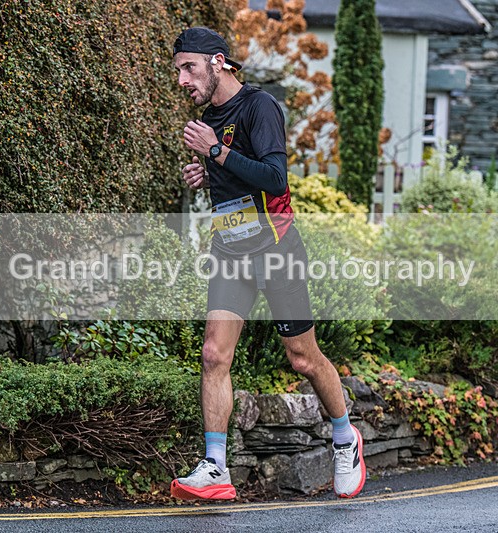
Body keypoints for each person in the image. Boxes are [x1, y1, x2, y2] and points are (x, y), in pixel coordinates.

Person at [170, 27, 366, 501]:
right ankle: (216, 467)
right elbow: (237, 175)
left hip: (276, 249)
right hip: (230, 251)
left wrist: (215, 152)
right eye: (176, 70)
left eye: (187, 67)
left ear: (218, 63)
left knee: (302, 358)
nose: (180, 79)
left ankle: (345, 438)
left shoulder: (259, 107)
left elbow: (275, 179)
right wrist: (206, 172)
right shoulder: (210, 117)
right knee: (214, 355)